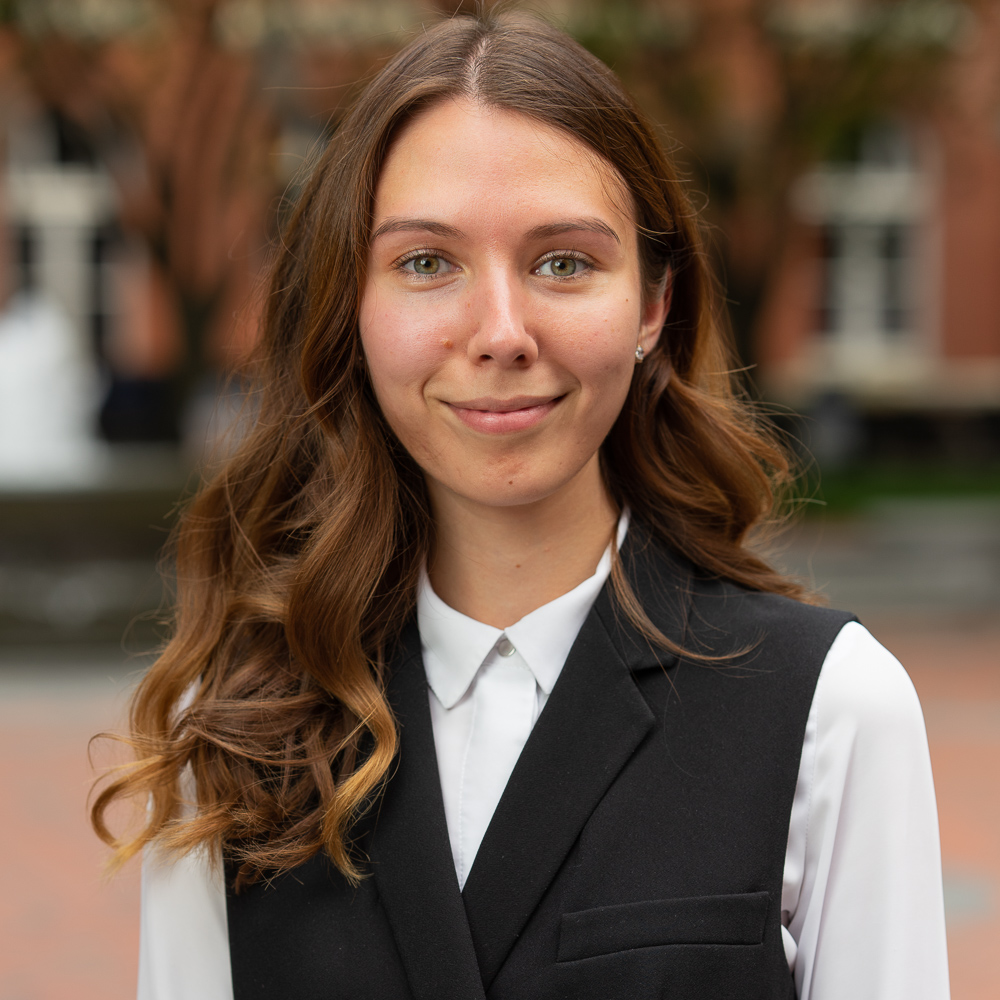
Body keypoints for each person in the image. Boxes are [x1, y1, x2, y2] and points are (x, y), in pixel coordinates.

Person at [92, 11, 950, 1000]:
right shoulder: (237, 730)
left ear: (652, 306)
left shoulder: (829, 710)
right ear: (351, 307)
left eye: (563, 262)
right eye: (426, 263)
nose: (499, 332)